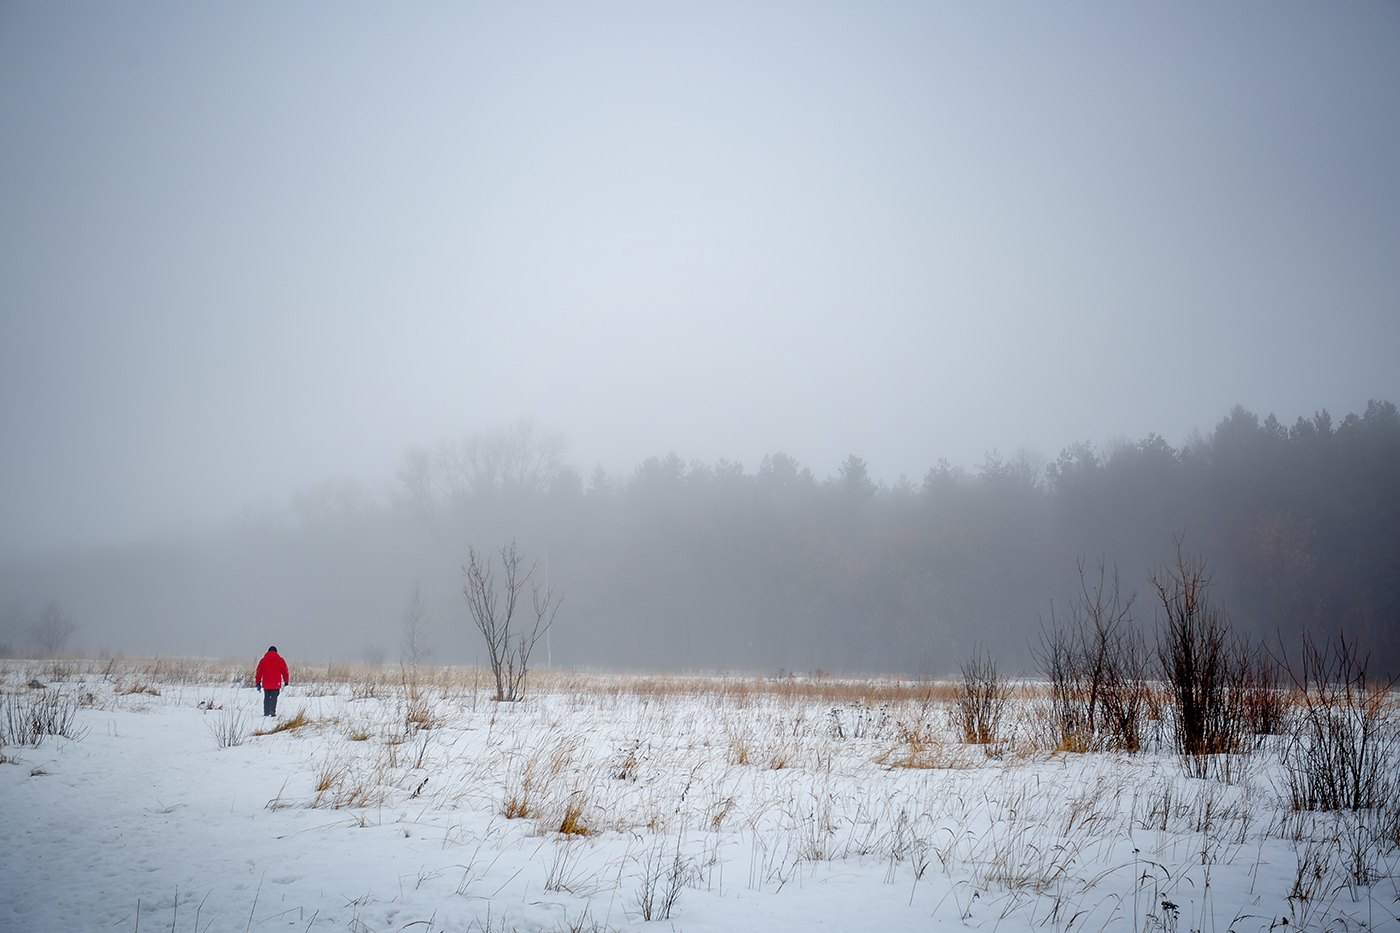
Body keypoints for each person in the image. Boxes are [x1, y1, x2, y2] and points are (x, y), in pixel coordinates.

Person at [255, 646, 290, 717]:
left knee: (266, 697)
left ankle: (266, 711)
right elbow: (285, 671)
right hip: (276, 683)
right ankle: (272, 710)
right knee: (274, 697)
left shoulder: (263, 660)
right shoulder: (280, 660)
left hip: (266, 683)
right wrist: (286, 681)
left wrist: (257, 682)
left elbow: (258, 672)